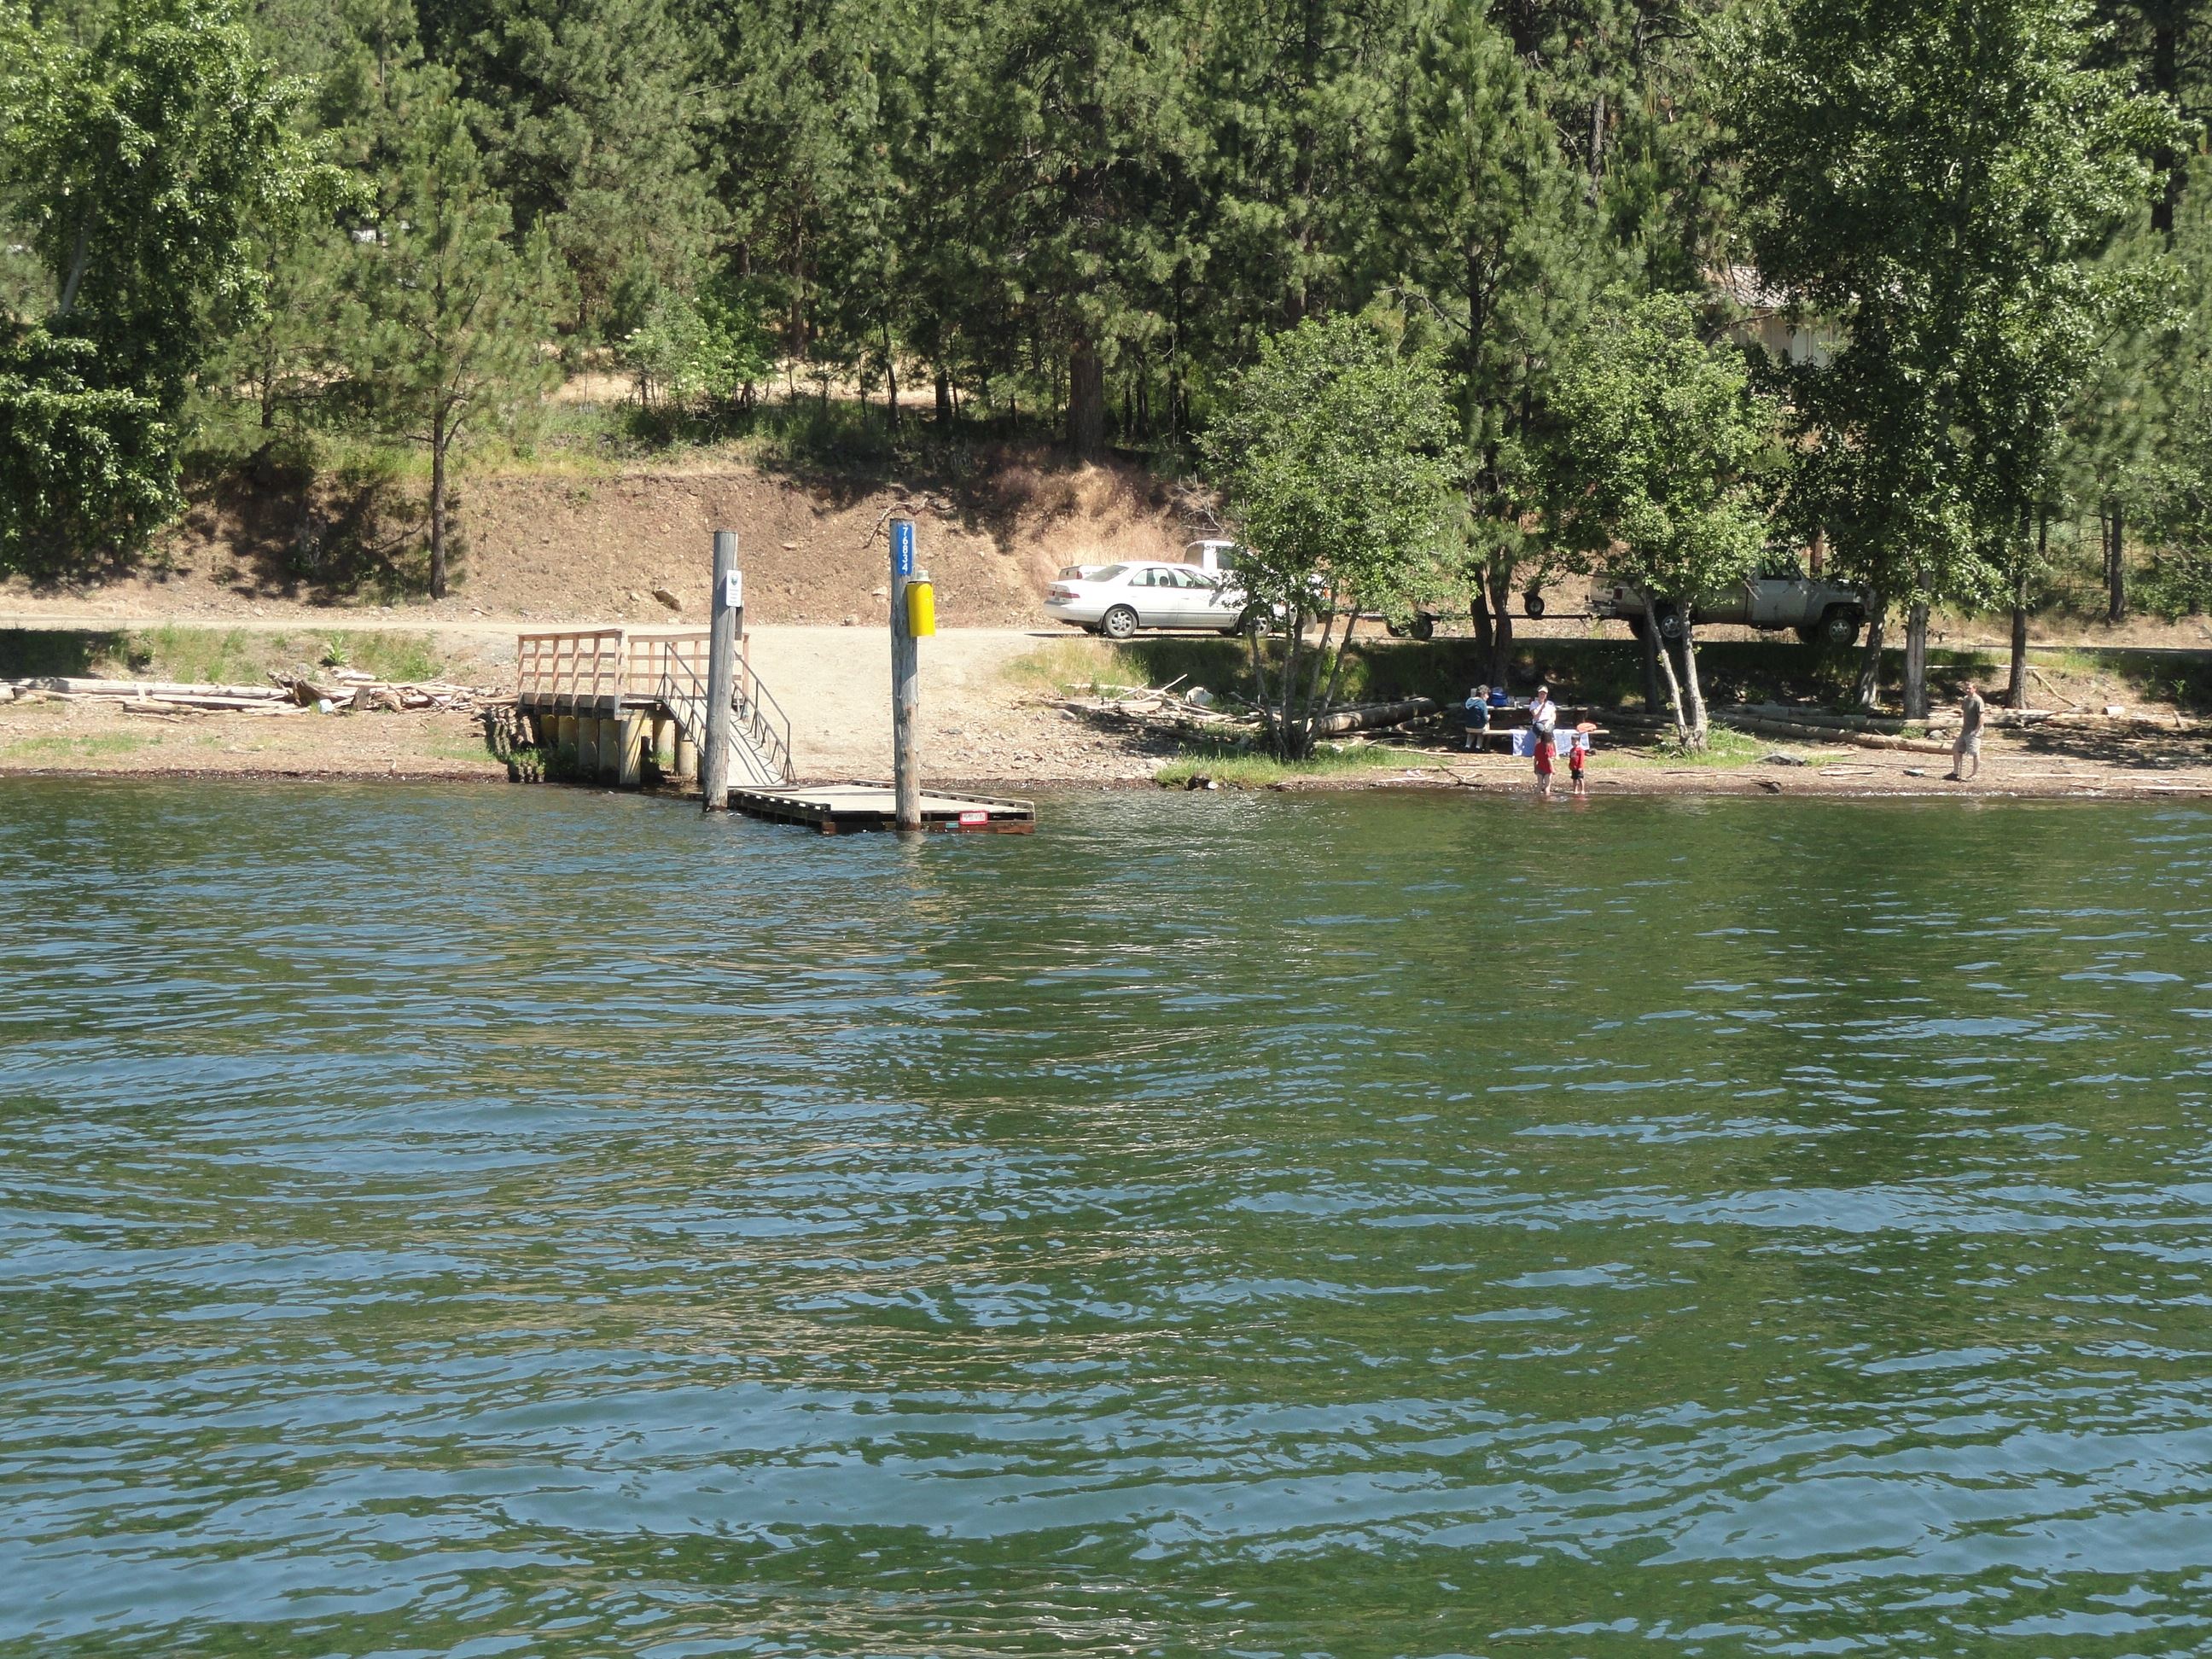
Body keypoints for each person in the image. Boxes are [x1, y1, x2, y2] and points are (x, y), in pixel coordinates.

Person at [1948, 684, 1984, 782]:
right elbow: (1964, 713)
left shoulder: (1978, 701)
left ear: (1975, 689)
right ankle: (1955, 773)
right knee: (1956, 749)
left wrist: (1976, 730)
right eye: (1966, 688)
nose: (1968, 690)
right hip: (1965, 730)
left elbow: (1982, 717)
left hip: (1974, 730)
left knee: (1974, 752)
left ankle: (1974, 774)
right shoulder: (1965, 699)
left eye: (1970, 688)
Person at [1528, 683, 1557, 796]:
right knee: (1541, 731)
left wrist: (1550, 722)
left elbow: (1553, 716)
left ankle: (1552, 752)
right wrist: (1542, 708)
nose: (1542, 695)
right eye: (1541, 693)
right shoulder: (1534, 704)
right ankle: (1541, 750)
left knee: (1548, 731)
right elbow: (1535, 717)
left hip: (1548, 722)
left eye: (1544, 693)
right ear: (1538, 693)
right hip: (1538, 722)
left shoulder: (1551, 704)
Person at [1463, 685, 1492, 752]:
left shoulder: (1468, 701)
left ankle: (1467, 746)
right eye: (1487, 694)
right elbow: (1485, 717)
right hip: (1479, 728)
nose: (1488, 696)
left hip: (1468, 727)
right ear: (1482, 694)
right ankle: (1478, 747)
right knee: (1484, 727)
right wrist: (1488, 717)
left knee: (1471, 732)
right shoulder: (1482, 703)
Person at [1569, 730, 1589, 796]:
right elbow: (1571, 758)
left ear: (1579, 741)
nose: (1574, 742)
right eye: (1572, 741)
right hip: (1573, 767)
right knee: (1574, 779)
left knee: (1580, 778)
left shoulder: (1581, 750)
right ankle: (1575, 790)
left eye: (1575, 741)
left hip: (1579, 767)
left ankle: (1582, 790)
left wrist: (1580, 766)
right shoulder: (1571, 750)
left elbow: (1582, 759)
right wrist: (1570, 765)